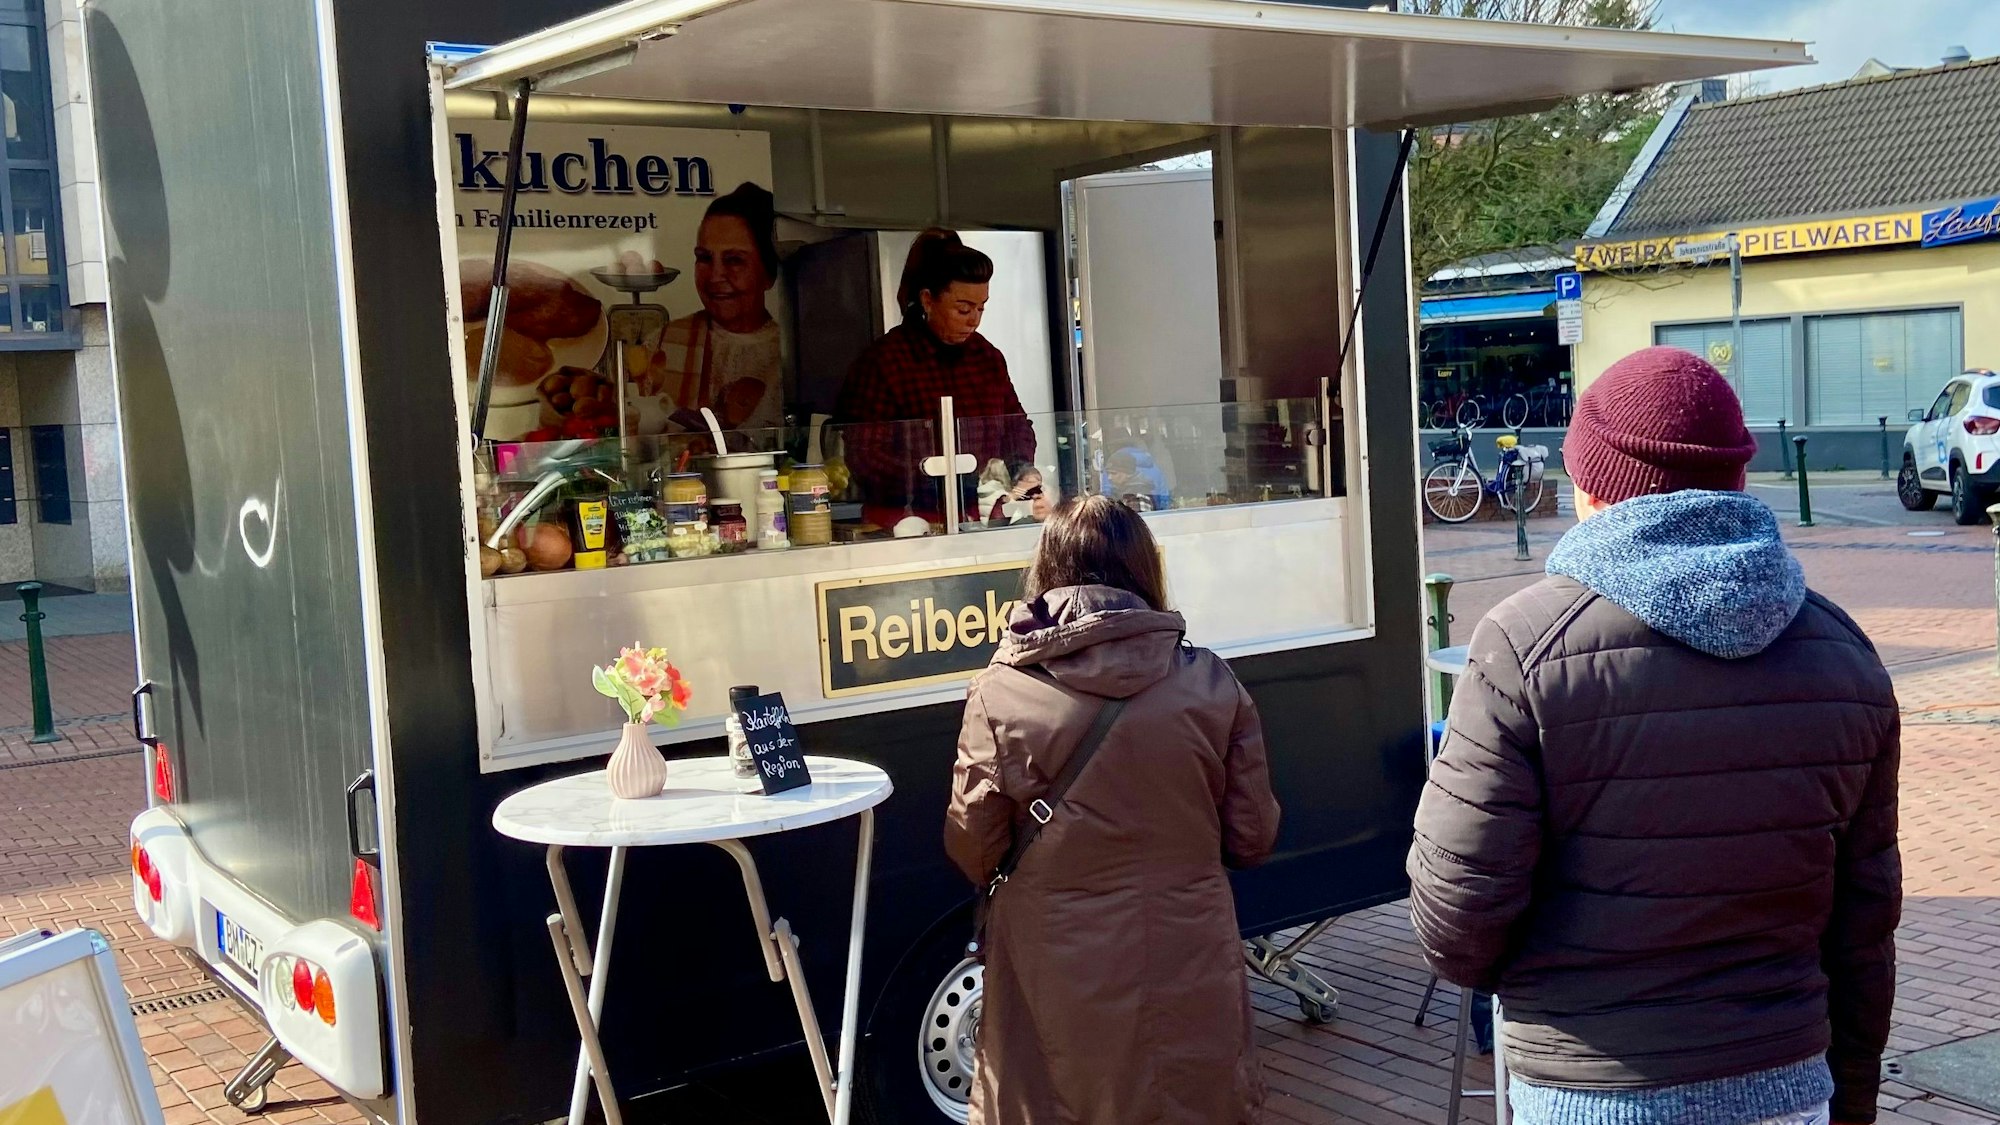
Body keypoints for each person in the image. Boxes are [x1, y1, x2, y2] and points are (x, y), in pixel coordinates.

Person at [1408, 346, 1902, 1125]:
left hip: (1590, 1086)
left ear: (1594, 487)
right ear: (1737, 480)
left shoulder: (1521, 645)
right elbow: (1865, 925)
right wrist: (1854, 1098)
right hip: (1786, 1081)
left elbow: (1456, 921)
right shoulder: (1843, 651)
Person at [946, 495, 1281, 1125]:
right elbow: (1253, 836)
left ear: (1045, 572)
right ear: (1145, 569)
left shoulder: (1000, 692)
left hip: (1054, 962)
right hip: (1188, 948)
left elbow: (973, 846)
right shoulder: (1211, 683)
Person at [835, 228, 1037, 529]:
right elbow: (866, 457)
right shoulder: (884, 362)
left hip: (983, 517)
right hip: (906, 523)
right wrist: (937, 479)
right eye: (963, 309)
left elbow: (1015, 425)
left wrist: (1021, 469)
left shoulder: (987, 357)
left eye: (981, 308)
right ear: (928, 300)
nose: (974, 319)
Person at [641, 182, 785, 438]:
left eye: (734, 260)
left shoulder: (789, 351)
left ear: (768, 274)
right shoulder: (661, 344)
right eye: (705, 258)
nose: (715, 276)